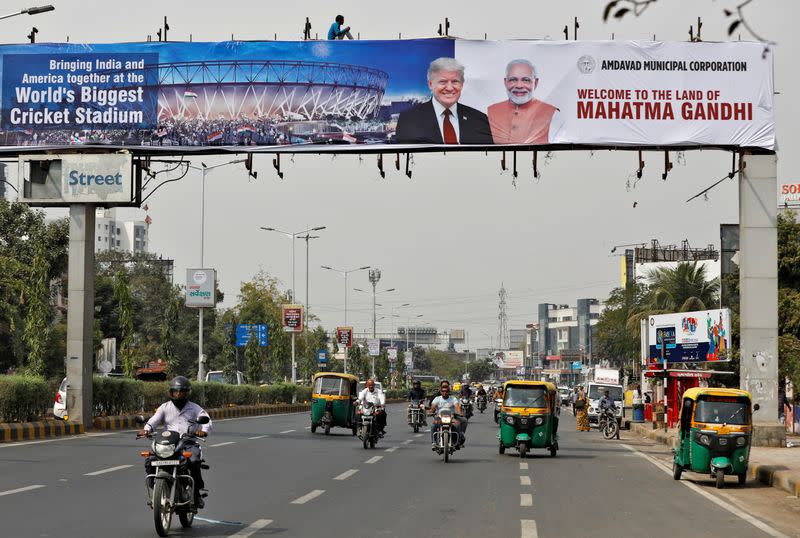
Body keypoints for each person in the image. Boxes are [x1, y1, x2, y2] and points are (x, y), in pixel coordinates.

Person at [138, 376, 212, 508]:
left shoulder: (195, 408)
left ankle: (196, 494)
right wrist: (147, 429)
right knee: (150, 461)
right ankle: (156, 489)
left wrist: (203, 430)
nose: (178, 395)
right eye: (175, 392)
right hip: (168, 443)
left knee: (194, 460)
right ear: (171, 393)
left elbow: (206, 420)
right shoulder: (165, 407)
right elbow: (154, 420)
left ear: (187, 392)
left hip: (187, 443)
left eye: (181, 392)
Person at [395, 57, 493, 145]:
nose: (450, 88)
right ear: (430, 84)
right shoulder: (409, 119)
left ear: (462, 84)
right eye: (443, 82)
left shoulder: (480, 120)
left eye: (455, 81)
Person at [487, 59, 563, 145]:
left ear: (536, 83)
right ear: (505, 82)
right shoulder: (491, 110)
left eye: (526, 80)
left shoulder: (552, 113)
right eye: (513, 79)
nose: (519, 85)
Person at [429, 380, 467, 448]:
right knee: (433, 426)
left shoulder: (453, 399)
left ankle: (457, 441)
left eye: (446, 391)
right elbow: (433, 408)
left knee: (458, 424)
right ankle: (434, 443)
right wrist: (431, 412)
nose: (445, 393)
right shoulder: (437, 399)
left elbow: (457, 407)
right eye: (443, 391)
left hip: (451, 417)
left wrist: (460, 413)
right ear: (440, 392)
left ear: (449, 392)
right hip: (439, 418)